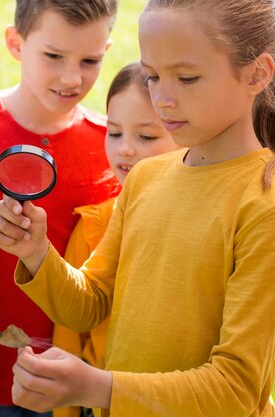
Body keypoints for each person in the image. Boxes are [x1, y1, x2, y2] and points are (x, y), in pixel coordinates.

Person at [0, 0, 275, 416]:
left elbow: (236, 390)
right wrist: (36, 252)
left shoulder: (270, 209)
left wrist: (100, 388)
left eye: (187, 78)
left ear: (257, 74)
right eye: (153, 76)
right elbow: (90, 303)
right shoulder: (145, 178)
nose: (162, 99)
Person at [0, 1, 120, 415]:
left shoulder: (115, 146)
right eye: (53, 56)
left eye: (89, 60)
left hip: (83, 382)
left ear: (107, 51)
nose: (72, 78)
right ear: (16, 43)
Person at [52, 62, 180, 417]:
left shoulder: (204, 223)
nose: (125, 149)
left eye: (147, 136)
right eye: (114, 132)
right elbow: (68, 333)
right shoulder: (95, 223)